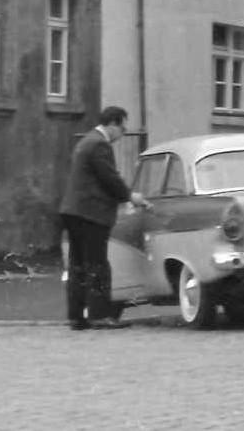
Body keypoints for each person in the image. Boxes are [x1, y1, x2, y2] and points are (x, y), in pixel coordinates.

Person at [60, 106, 150, 330]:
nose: (122, 133)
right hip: (91, 213)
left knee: (78, 265)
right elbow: (109, 177)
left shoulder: (85, 142)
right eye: (122, 127)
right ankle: (100, 316)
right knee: (97, 265)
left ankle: (76, 315)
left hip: (73, 211)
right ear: (113, 124)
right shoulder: (100, 145)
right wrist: (130, 196)